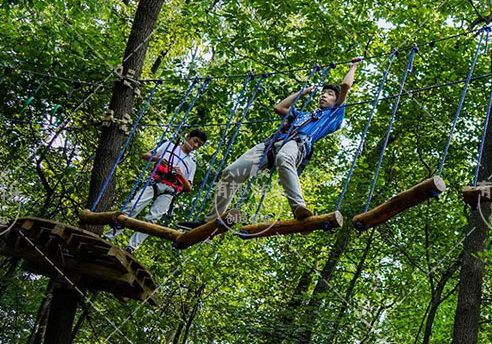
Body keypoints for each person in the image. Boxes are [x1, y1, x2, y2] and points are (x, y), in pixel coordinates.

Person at [180, 58, 361, 228]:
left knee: (284, 158)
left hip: (297, 143)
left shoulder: (334, 115)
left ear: (336, 100)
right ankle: (210, 222)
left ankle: (299, 207)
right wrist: (303, 92)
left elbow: (345, 86)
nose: (324, 96)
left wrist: (353, 67)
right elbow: (280, 108)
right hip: (271, 144)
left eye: (329, 94)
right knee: (230, 173)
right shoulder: (304, 115)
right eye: (323, 93)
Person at [105, 129, 207, 252]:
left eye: (199, 145)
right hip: (155, 182)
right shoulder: (169, 146)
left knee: (152, 219)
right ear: (188, 137)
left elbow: (188, 187)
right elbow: (146, 155)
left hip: (170, 190)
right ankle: (108, 237)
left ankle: (131, 247)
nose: (196, 146)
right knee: (132, 208)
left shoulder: (191, 163)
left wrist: (181, 175)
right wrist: (157, 159)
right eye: (195, 141)